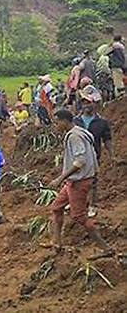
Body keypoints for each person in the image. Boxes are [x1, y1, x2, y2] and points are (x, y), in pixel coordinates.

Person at [44, 109, 114, 260]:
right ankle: (56, 242)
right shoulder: (79, 132)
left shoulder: (75, 136)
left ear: (64, 121)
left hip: (79, 181)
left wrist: (59, 178)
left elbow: (80, 161)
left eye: (57, 122)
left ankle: (106, 248)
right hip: (75, 180)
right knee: (56, 208)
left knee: (79, 217)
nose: (55, 125)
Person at [74, 87, 114, 217]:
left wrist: (111, 155)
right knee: (76, 180)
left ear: (94, 104)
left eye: (88, 102)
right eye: (84, 102)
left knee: (92, 181)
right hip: (77, 156)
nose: (86, 105)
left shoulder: (101, 122)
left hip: (94, 155)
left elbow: (107, 139)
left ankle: (92, 205)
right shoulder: (76, 121)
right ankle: (78, 203)